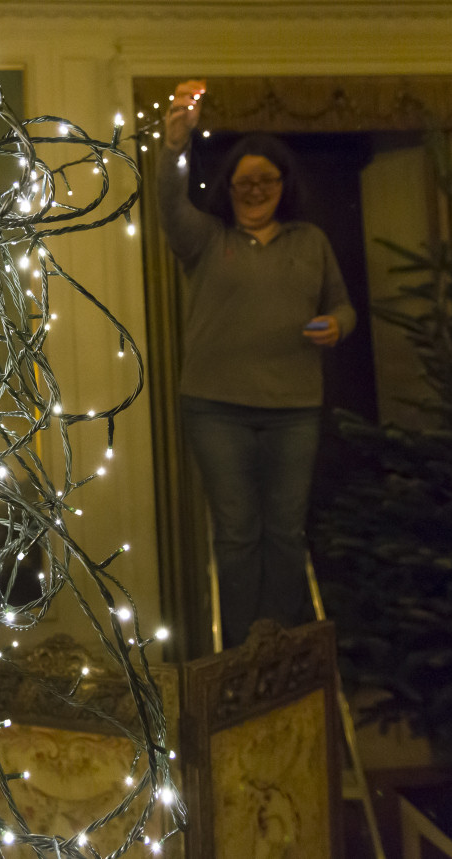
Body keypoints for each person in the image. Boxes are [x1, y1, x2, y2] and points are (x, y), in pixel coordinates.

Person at [158, 80, 357, 649]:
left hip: (294, 408)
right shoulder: (205, 237)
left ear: (283, 185)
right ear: (230, 187)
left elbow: (343, 305)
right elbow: (171, 205)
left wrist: (338, 325)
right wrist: (175, 149)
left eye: (265, 181)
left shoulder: (310, 242)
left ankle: (281, 645)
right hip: (215, 407)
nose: (254, 191)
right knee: (238, 532)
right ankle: (244, 652)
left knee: (287, 531)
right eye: (244, 182)